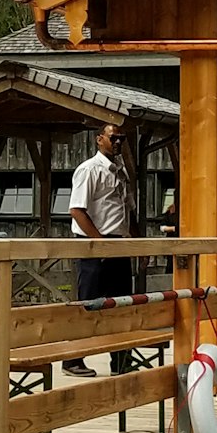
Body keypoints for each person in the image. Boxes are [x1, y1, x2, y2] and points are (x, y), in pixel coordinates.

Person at [66, 122, 134, 377]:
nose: (117, 143)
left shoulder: (120, 170)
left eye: (122, 139)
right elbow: (76, 209)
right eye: (113, 138)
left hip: (119, 242)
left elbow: (128, 209)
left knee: (122, 304)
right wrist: (98, 244)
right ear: (99, 140)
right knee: (88, 303)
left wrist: (137, 242)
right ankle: (73, 359)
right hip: (94, 243)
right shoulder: (89, 170)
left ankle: (120, 359)